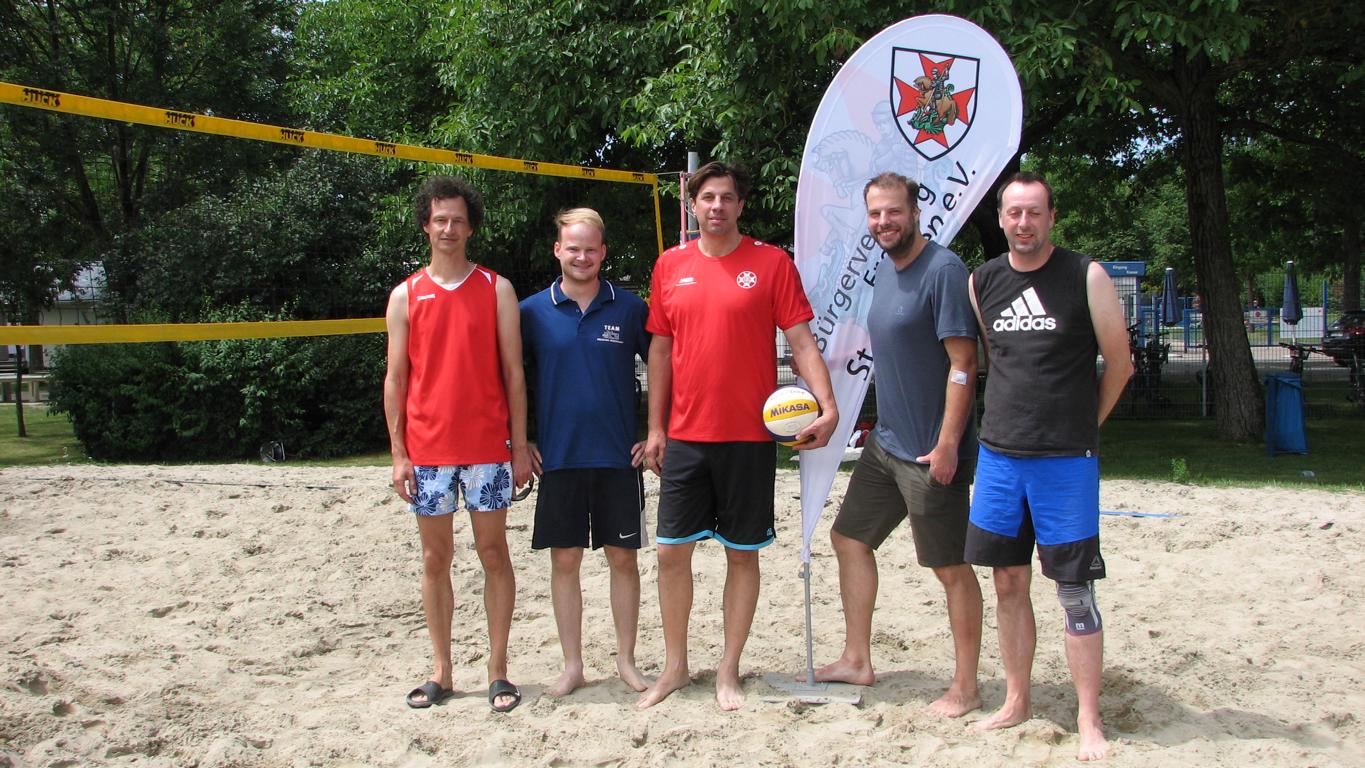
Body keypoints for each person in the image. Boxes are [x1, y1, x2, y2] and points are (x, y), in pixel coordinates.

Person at [637, 161, 839, 711]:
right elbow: (660, 351)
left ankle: (728, 670)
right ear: (693, 205)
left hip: (750, 438)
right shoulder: (670, 265)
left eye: (727, 197)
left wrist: (827, 404)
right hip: (686, 436)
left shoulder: (771, 264)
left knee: (742, 556)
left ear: (740, 206)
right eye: (708, 197)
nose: (717, 206)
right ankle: (675, 667)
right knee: (671, 554)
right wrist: (655, 428)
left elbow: (802, 342)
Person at [966, 172, 1133, 761]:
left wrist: (1086, 425)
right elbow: (996, 360)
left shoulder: (1086, 275)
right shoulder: (982, 281)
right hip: (999, 458)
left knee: (1074, 590)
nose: (1023, 223)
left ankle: (1089, 717)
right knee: (1007, 582)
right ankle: (1017, 699)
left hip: (1064, 463)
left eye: (1034, 212)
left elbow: (1120, 364)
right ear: (1001, 218)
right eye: (1014, 213)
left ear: (1052, 217)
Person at [813, 172, 984, 717]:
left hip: (931, 453)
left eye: (893, 211)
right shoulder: (885, 270)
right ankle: (857, 659)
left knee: (949, 568)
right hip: (886, 445)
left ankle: (966, 686)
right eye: (875, 213)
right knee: (848, 539)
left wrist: (949, 443)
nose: (883, 222)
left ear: (915, 212)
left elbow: (964, 364)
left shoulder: (944, 270)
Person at [383, 175, 532, 713]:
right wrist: (399, 453)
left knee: (494, 553)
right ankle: (441, 671)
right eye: (440, 219)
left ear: (471, 228)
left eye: (458, 220)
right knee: (435, 558)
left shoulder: (496, 288)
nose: (448, 228)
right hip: (428, 453)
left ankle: (498, 670)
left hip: (488, 448)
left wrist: (519, 446)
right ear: (426, 225)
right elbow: (396, 379)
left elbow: (514, 373)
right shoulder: (406, 295)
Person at [519, 208, 652, 696]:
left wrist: (653, 432)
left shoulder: (629, 308)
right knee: (565, 562)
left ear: (603, 252)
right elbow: (512, 381)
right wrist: (521, 439)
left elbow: (663, 366)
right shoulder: (531, 312)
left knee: (623, 560)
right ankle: (572, 665)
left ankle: (626, 661)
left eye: (590, 248)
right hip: (559, 458)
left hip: (618, 457)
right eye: (572, 248)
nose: (581, 256)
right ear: (557, 250)